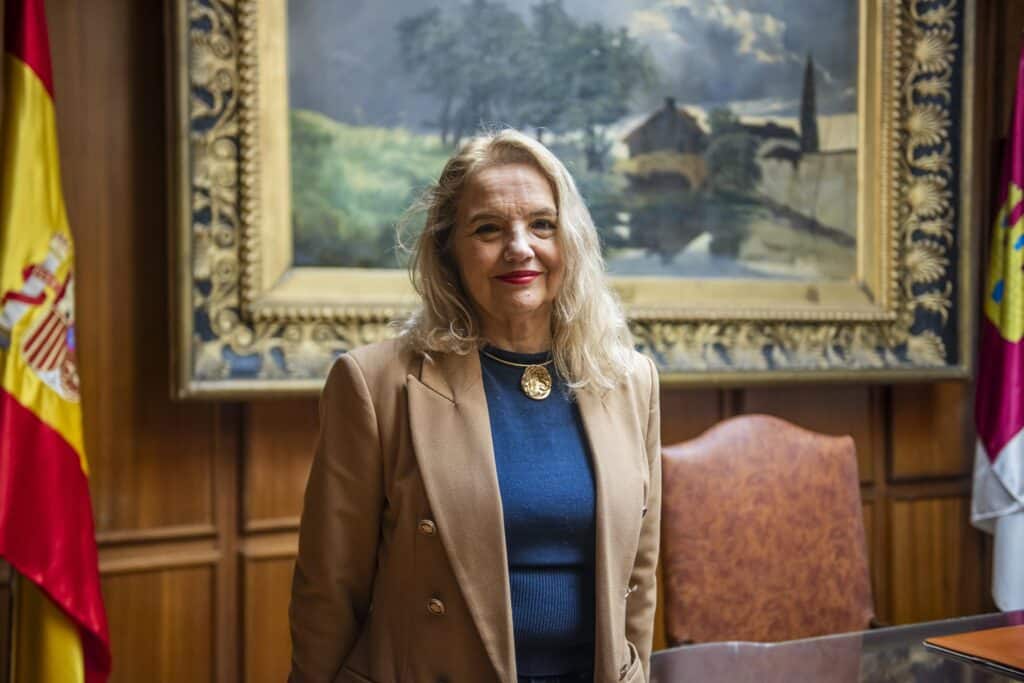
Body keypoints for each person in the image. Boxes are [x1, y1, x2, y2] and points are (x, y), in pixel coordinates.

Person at [289, 129, 661, 683]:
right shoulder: (374, 384)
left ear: (572, 240)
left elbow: (639, 577)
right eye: (488, 228)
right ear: (449, 251)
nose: (520, 247)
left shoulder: (631, 379)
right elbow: (328, 589)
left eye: (542, 224)